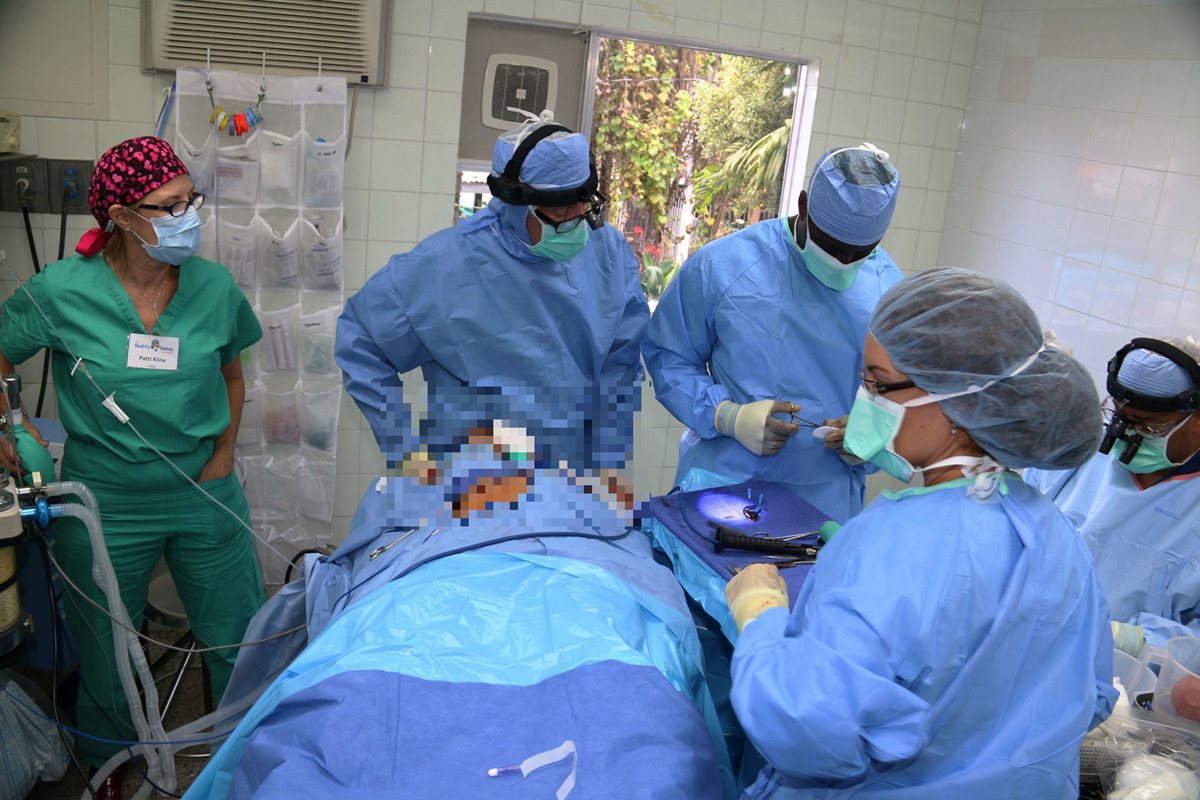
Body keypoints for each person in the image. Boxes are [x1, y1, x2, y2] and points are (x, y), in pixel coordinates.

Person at [724, 267, 1116, 798]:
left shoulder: (893, 545)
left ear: (963, 401)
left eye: (878, 384)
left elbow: (803, 727)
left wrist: (762, 619)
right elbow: (1090, 697)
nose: (865, 400)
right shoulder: (1056, 536)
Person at [0, 137, 265, 800]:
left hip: (203, 487)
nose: (188, 216)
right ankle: (110, 763)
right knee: (107, 646)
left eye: (191, 200)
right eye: (169, 206)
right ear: (120, 216)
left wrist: (224, 453)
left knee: (238, 634)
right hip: (105, 500)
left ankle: (246, 756)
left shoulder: (212, 287)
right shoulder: (62, 291)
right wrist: (10, 423)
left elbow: (232, 375)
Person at [337, 114, 648, 475]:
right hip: (470, 479)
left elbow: (621, 365)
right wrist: (406, 452)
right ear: (516, 204)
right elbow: (360, 341)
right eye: (561, 213)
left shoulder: (606, 252)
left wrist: (603, 464)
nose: (577, 224)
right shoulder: (448, 264)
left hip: (568, 476)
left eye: (584, 207)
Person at [642, 143, 903, 522]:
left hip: (825, 502)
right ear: (803, 205)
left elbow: (899, 392)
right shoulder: (726, 266)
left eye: (859, 253)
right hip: (723, 488)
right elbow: (669, 356)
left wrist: (869, 436)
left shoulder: (889, 291)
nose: (842, 263)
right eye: (832, 247)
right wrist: (726, 416)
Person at [1026, 337, 1200, 657]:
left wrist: (1125, 639)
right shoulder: (1079, 448)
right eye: (1120, 417)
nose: (1125, 435)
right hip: (1022, 634)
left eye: (1147, 427)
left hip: (1121, 673)